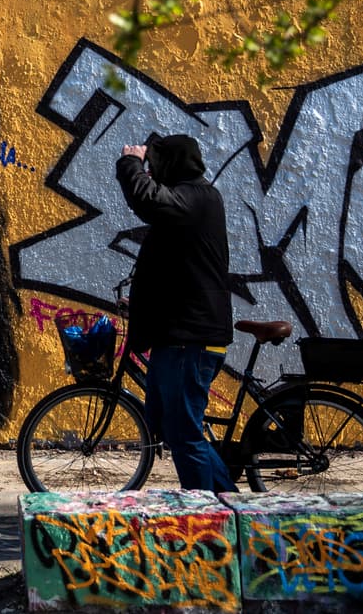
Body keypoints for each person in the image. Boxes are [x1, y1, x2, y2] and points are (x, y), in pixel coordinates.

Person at [115, 134, 237, 492]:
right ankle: (228, 505)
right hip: (179, 336)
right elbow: (176, 269)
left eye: (156, 164)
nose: (151, 172)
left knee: (185, 434)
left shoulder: (196, 198)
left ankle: (207, 520)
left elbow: (147, 200)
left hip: (190, 340)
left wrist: (131, 163)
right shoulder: (189, 202)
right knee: (176, 430)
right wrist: (139, 304)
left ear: (173, 164)